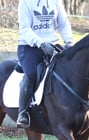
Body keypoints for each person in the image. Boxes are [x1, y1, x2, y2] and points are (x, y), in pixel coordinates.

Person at [16, 0, 74, 128]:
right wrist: (41, 43)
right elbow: (25, 29)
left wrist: (69, 42)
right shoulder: (25, 2)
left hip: (53, 45)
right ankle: (23, 112)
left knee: (70, 68)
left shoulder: (56, 2)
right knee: (32, 73)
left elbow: (64, 24)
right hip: (29, 46)